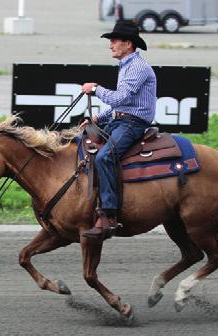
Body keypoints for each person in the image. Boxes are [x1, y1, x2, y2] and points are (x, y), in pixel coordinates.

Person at [81, 21, 157, 240]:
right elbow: (118, 105)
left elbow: (120, 98)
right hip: (120, 120)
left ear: (128, 44)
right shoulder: (126, 66)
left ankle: (109, 215)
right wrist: (97, 118)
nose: (110, 45)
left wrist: (95, 89)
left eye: (114, 41)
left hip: (133, 124)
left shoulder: (138, 67)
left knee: (105, 157)